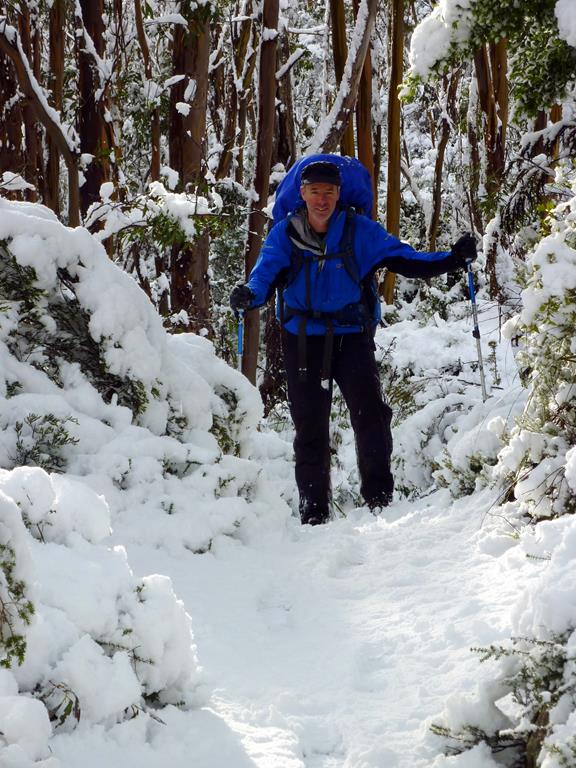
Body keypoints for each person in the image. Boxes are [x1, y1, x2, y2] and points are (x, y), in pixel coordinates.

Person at [230, 159, 476, 526]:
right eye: (315, 191)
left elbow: (406, 259)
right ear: (302, 193)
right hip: (302, 339)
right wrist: (249, 295)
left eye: (329, 192)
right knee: (309, 425)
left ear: (339, 194)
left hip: (352, 335)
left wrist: (452, 259)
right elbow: (264, 275)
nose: (322, 200)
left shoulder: (359, 230)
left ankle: (379, 499)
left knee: (370, 415)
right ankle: (314, 511)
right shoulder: (285, 234)